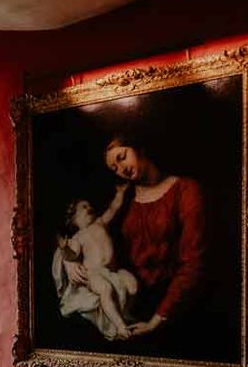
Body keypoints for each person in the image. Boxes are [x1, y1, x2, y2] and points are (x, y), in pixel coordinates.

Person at [62, 134, 206, 339]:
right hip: (125, 299)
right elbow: (82, 231)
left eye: (122, 157)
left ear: (139, 148)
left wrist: (156, 321)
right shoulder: (123, 199)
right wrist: (69, 261)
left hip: (170, 306)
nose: (121, 169)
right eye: (114, 168)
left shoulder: (185, 189)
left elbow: (194, 262)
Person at [53, 183, 138, 340]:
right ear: (74, 218)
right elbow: (72, 256)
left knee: (133, 286)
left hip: (113, 271)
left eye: (90, 205)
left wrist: (120, 193)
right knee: (105, 289)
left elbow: (113, 209)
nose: (89, 207)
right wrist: (65, 249)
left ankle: (124, 314)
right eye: (84, 207)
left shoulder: (100, 223)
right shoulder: (78, 237)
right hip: (93, 273)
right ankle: (120, 326)